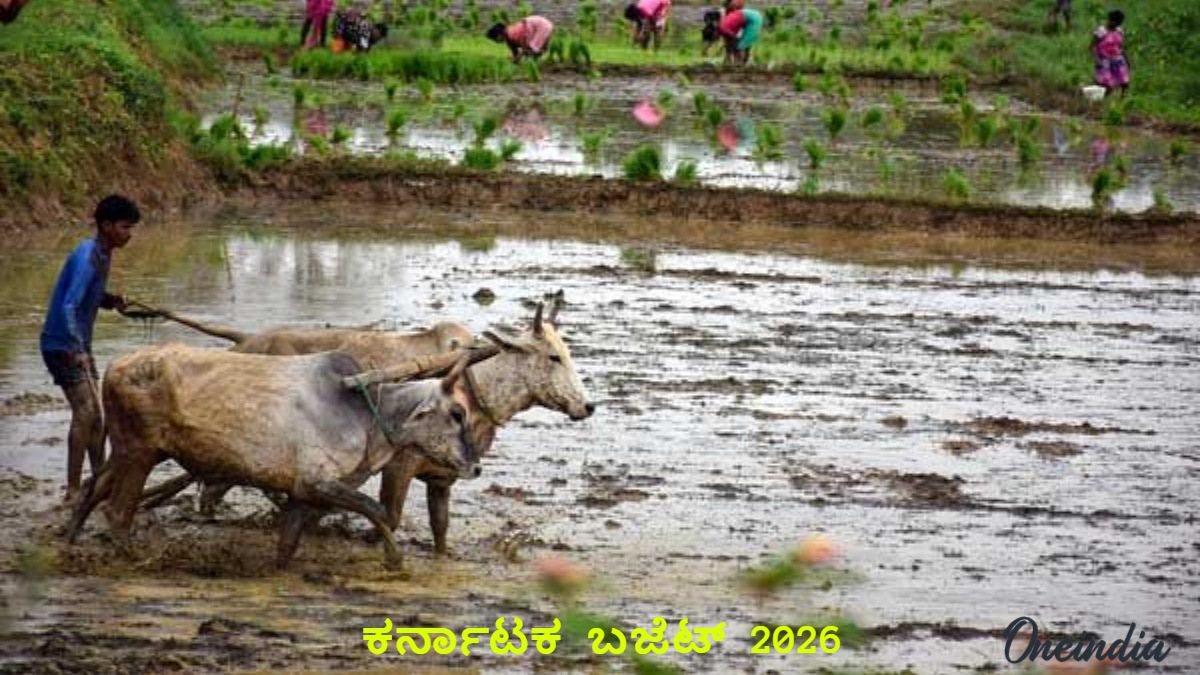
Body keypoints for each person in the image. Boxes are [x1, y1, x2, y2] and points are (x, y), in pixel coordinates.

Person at [40, 195, 139, 504]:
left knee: (98, 416)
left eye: (131, 227)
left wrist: (111, 300)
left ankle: (98, 482)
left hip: (77, 344)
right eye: (125, 227)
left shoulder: (103, 254)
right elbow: (69, 305)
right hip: (63, 344)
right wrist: (78, 349)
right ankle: (72, 490)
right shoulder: (88, 256)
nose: (129, 233)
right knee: (85, 414)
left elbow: (88, 297)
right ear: (107, 226)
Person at [1092, 9, 1129, 97]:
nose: (1118, 25)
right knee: (1107, 84)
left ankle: (1122, 100)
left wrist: (1127, 59)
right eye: (1117, 23)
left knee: (1124, 82)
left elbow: (1121, 46)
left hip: (1118, 59)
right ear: (1111, 20)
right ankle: (1102, 100)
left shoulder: (1119, 30)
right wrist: (1097, 60)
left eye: (1120, 23)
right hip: (1104, 60)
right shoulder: (1101, 31)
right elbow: (1092, 47)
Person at [487, 15, 554, 64]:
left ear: (499, 35)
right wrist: (516, 58)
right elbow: (515, 52)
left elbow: (525, 39)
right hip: (535, 25)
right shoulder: (508, 38)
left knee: (532, 49)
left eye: (495, 39)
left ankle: (534, 64)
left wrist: (522, 54)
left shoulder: (512, 33)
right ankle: (534, 62)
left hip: (541, 25)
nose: (496, 42)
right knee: (534, 50)